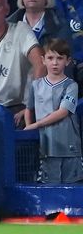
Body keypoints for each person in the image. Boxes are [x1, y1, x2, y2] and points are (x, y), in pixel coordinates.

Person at [24, 38, 83, 184]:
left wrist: (36, 125)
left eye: (60, 58)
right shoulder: (36, 85)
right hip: (46, 149)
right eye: (50, 58)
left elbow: (63, 111)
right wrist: (29, 128)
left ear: (67, 61)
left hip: (70, 148)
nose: (55, 63)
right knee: (48, 188)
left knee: (72, 188)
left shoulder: (71, 85)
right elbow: (28, 109)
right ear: (43, 60)